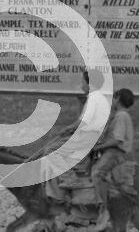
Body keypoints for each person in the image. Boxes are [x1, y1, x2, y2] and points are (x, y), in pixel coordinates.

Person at [41, 69, 110, 202]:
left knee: (49, 150)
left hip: (87, 137)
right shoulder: (99, 98)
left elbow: (82, 122)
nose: (82, 85)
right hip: (90, 135)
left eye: (82, 82)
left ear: (89, 84)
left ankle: (70, 178)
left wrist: (67, 128)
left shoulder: (94, 99)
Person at [91, 88, 137, 232]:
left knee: (96, 173)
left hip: (115, 153)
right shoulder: (120, 115)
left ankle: (104, 210)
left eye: (113, 98)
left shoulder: (121, 115)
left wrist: (97, 147)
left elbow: (117, 140)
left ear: (117, 99)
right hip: (113, 151)